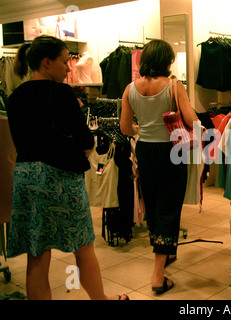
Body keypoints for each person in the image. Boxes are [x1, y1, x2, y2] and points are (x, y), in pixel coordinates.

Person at [6, 35, 128, 300]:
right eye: (64, 62)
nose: (68, 68)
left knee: (37, 255)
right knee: (83, 248)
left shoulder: (14, 98)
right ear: (47, 63)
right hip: (59, 177)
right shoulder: (62, 94)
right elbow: (85, 143)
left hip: (26, 176)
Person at [120, 39, 198, 295]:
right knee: (169, 206)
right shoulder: (175, 86)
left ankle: (165, 253)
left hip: (144, 149)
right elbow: (189, 118)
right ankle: (157, 275)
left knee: (152, 203)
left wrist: (144, 129)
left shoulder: (130, 89)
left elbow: (124, 128)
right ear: (166, 61)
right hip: (171, 150)